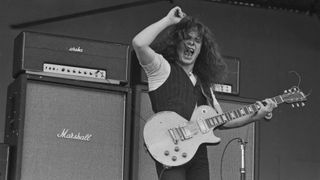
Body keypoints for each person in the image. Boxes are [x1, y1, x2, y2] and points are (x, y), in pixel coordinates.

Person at [132, 6, 277, 180]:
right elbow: (139, 43)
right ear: (176, 43)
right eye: (186, 38)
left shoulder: (205, 86)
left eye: (197, 40)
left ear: (202, 49)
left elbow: (222, 120)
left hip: (198, 153)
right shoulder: (162, 69)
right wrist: (169, 21)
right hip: (172, 148)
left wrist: (255, 116)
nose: (191, 43)